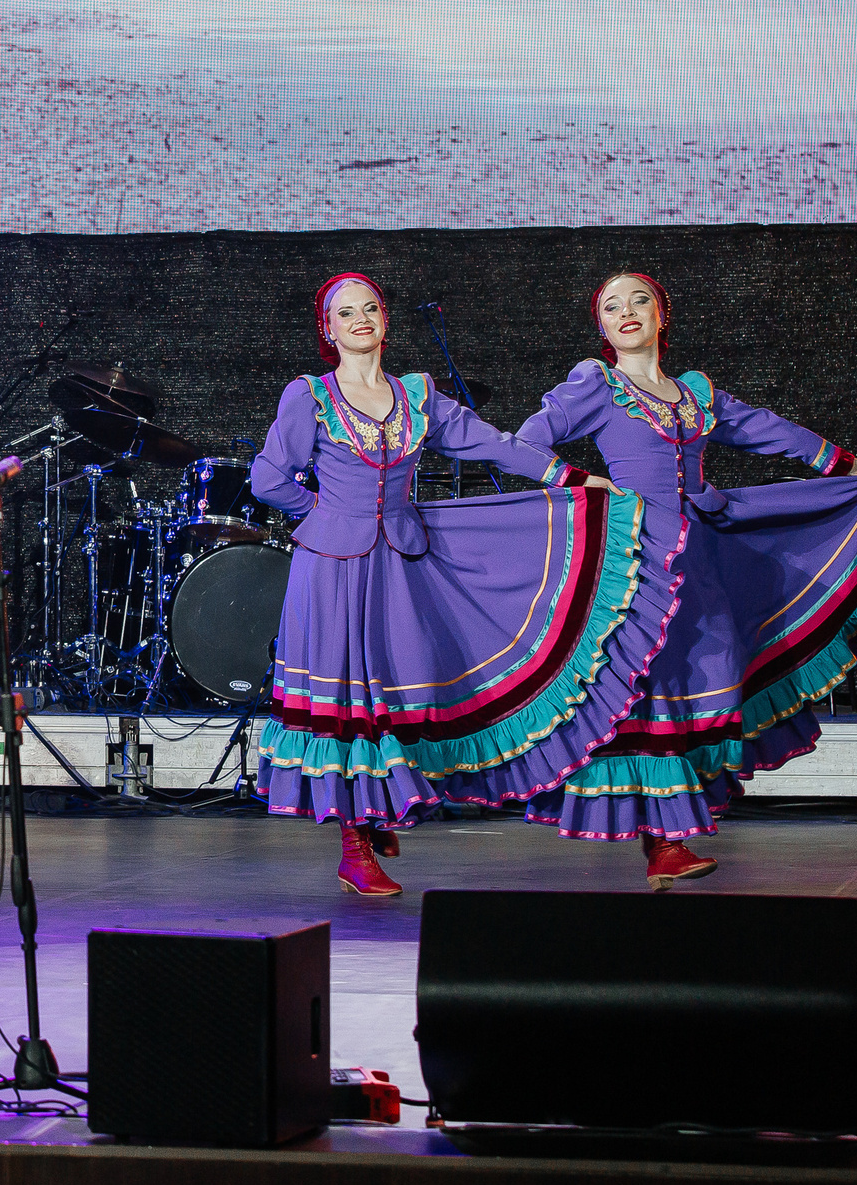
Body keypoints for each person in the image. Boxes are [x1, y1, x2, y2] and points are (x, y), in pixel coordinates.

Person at [515, 271, 857, 888]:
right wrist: (579, 482)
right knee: (652, 686)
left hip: (699, 554)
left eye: (639, 300)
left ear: (663, 314)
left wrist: (846, 465)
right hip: (637, 557)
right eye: (611, 306)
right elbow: (525, 442)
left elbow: (769, 430)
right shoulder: (594, 385)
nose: (626, 311)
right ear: (600, 326)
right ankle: (664, 841)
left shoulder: (695, 393)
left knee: (713, 669)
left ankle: (677, 819)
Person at [251, 272, 649, 898]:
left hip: (401, 564)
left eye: (371, 308)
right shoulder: (310, 397)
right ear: (327, 331)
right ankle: (355, 845)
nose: (360, 319)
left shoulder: (418, 396)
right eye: (345, 313)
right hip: (332, 568)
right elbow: (269, 479)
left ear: (385, 320)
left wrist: (568, 476)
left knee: (402, 690)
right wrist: (326, 516)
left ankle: (377, 807)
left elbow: (489, 443)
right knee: (351, 701)